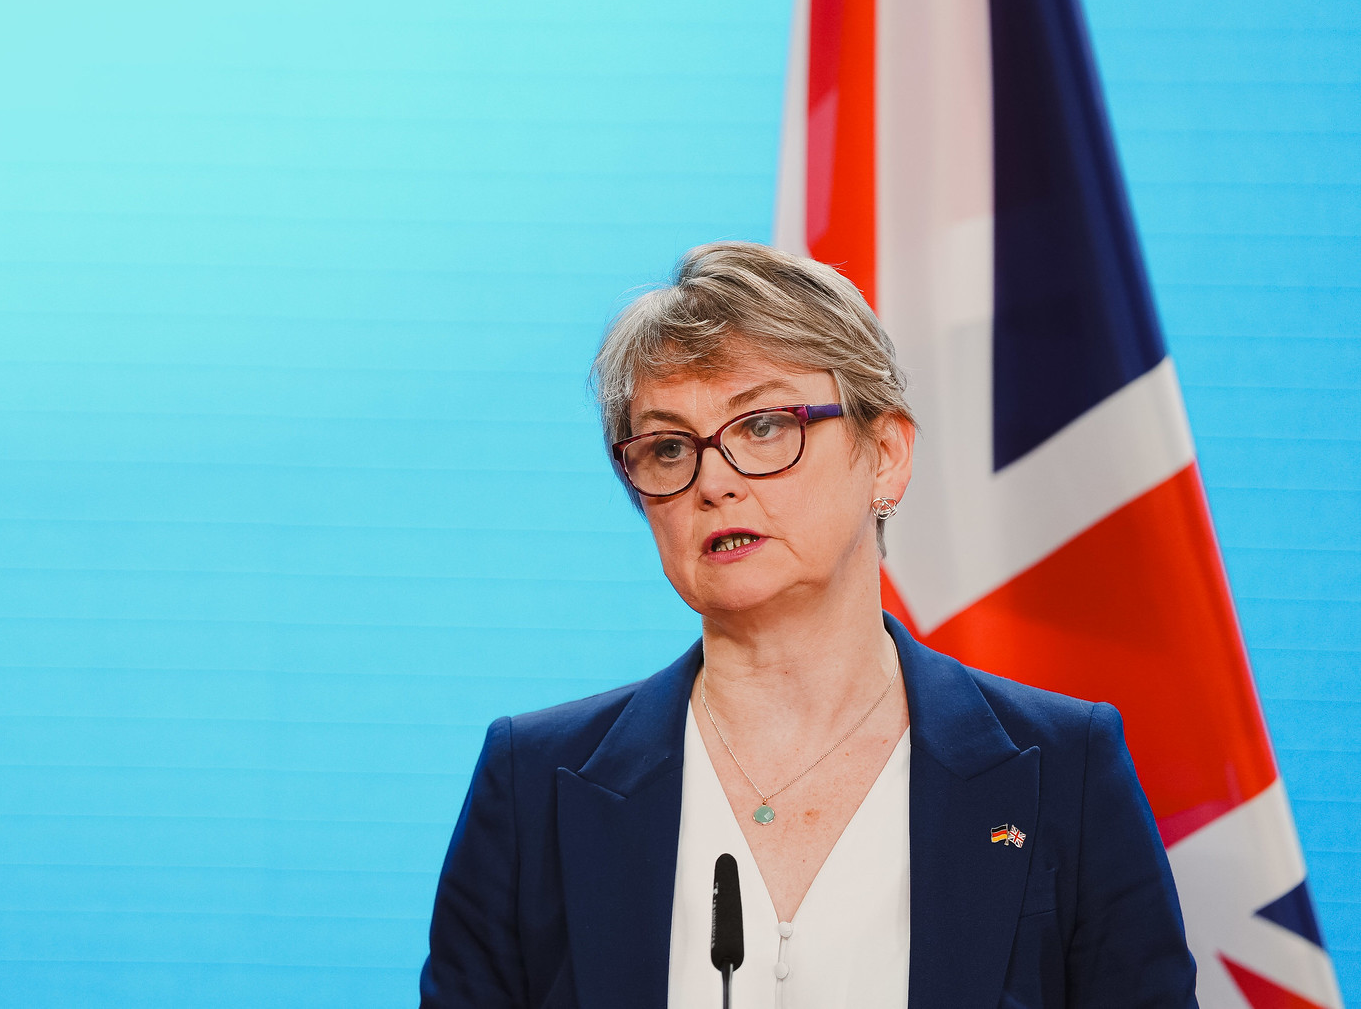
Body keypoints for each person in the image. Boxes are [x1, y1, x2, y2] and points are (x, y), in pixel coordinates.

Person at [419, 242, 1196, 1008]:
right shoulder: (532, 785)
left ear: (884, 454)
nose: (712, 481)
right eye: (668, 446)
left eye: (762, 425)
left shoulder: (1063, 771)